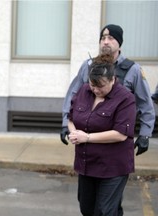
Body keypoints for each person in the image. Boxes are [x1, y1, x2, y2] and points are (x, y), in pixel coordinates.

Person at [61, 24, 155, 156]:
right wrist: (66, 123)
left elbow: (145, 103)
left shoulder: (133, 69)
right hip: (88, 143)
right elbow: (73, 95)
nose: (105, 42)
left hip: (117, 140)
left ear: (119, 43)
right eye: (103, 38)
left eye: (111, 38)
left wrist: (145, 134)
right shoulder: (88, 66)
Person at [68, 53, 136, 216]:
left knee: (105, 211)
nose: (96, 90)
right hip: (87, 164)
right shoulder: (84, 91)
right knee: (87, 209)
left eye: (101, 86)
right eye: (93, 85)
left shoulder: (126, 98)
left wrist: (88, 137)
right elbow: (71, 118)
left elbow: (120, 134)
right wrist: (73, 133)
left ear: (113, 79)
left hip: (113, 166)